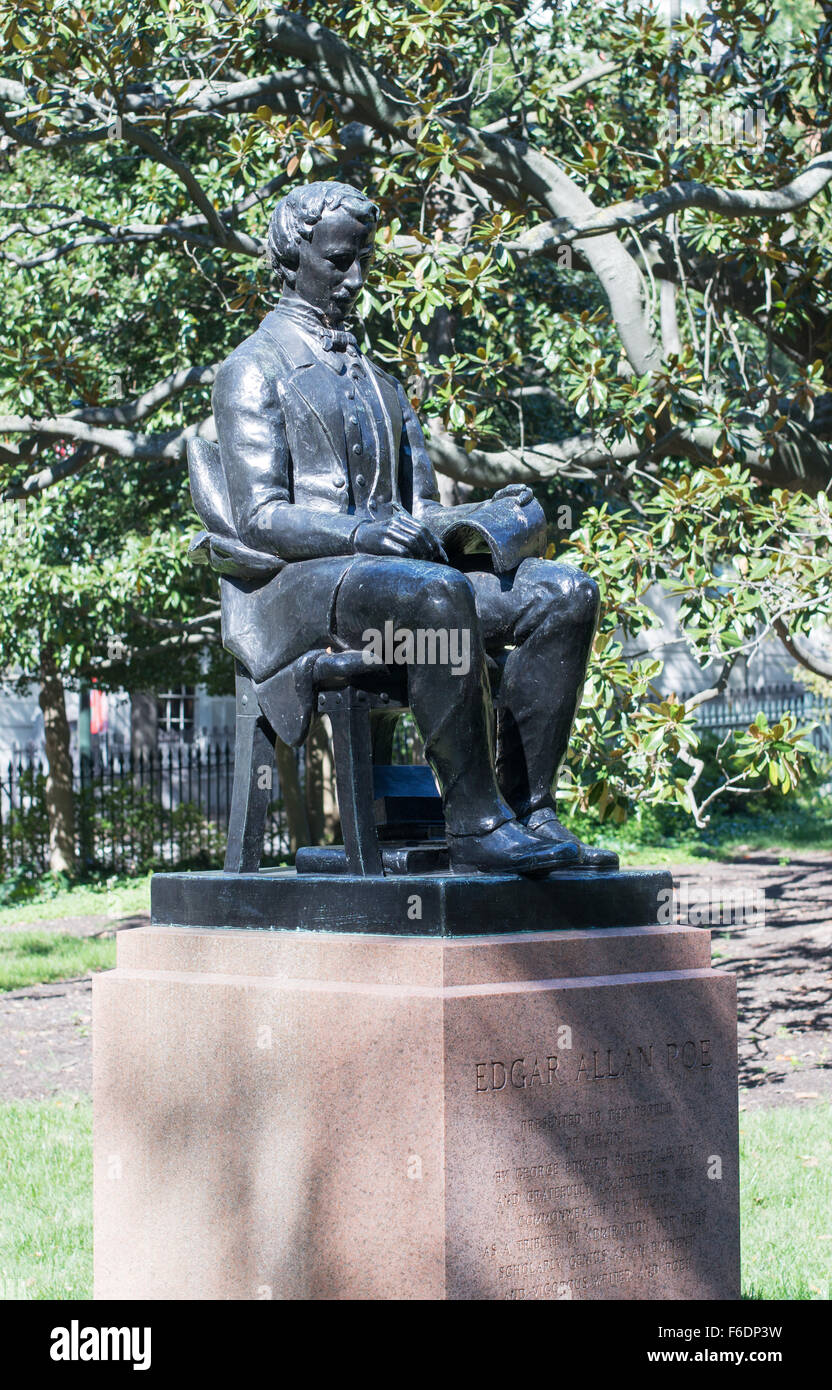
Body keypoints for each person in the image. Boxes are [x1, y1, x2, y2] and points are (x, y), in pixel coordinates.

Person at [211, 181, 617, 875]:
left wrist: (487, 519)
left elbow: (421, 510)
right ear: (293, 254)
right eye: (340, 260)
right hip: (303, 592)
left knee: (566, 594)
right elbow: (260, 518)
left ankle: (528, 810)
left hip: (396, 584)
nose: (357, 277)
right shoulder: (253, 369)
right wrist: (361, 536)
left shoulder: (381, 381)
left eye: (363, 258)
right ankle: (475, 825)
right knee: (437, 598)